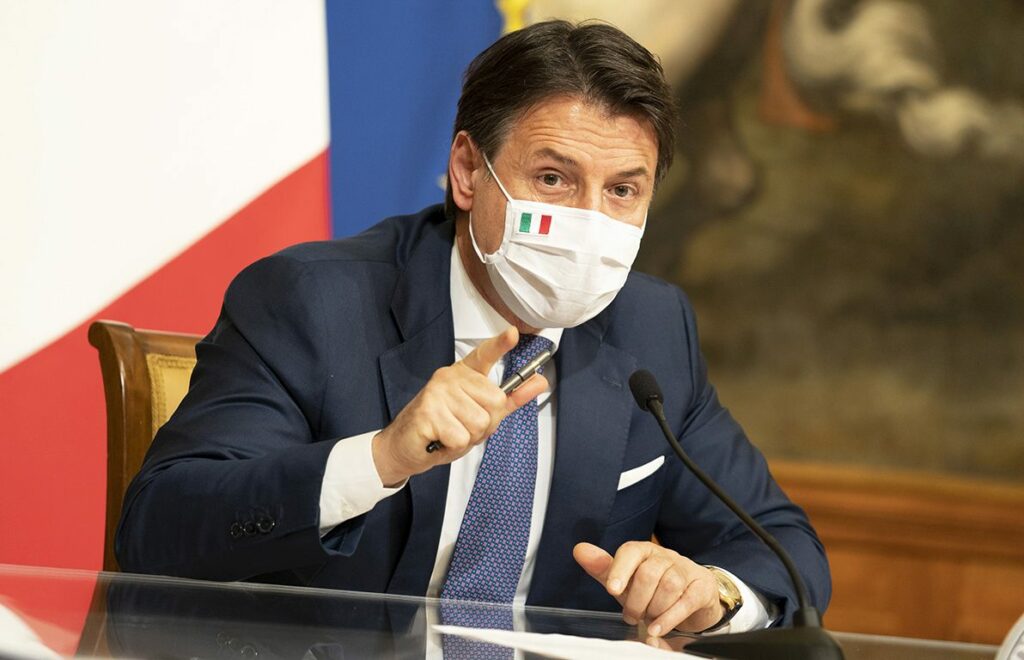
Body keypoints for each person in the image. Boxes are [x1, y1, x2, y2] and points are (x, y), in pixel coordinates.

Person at [117, 19, 830, 638]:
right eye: (552, 178)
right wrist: (380, 459)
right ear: (467, 171)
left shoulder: (652, 328)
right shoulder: (312, 302)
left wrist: (715, 594)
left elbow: (784, 549)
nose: (589, 222)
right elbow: (158, 529)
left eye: (622, 190)